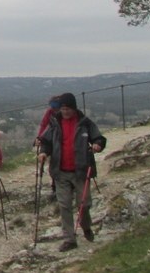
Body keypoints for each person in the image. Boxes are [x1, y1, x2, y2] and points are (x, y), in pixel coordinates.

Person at [36, 92, 106, 252]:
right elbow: (46, 142)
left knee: (85, 204)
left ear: (74, 108)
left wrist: (97, 145)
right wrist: (43, 153)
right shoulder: (54, 124)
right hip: (60, 172)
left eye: (68, 108)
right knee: (64, 205)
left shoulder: (85, 123)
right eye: (63, 108)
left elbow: (98, 138)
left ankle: (86, 226)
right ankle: (69, 239)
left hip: (81, 171)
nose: (65, 112)